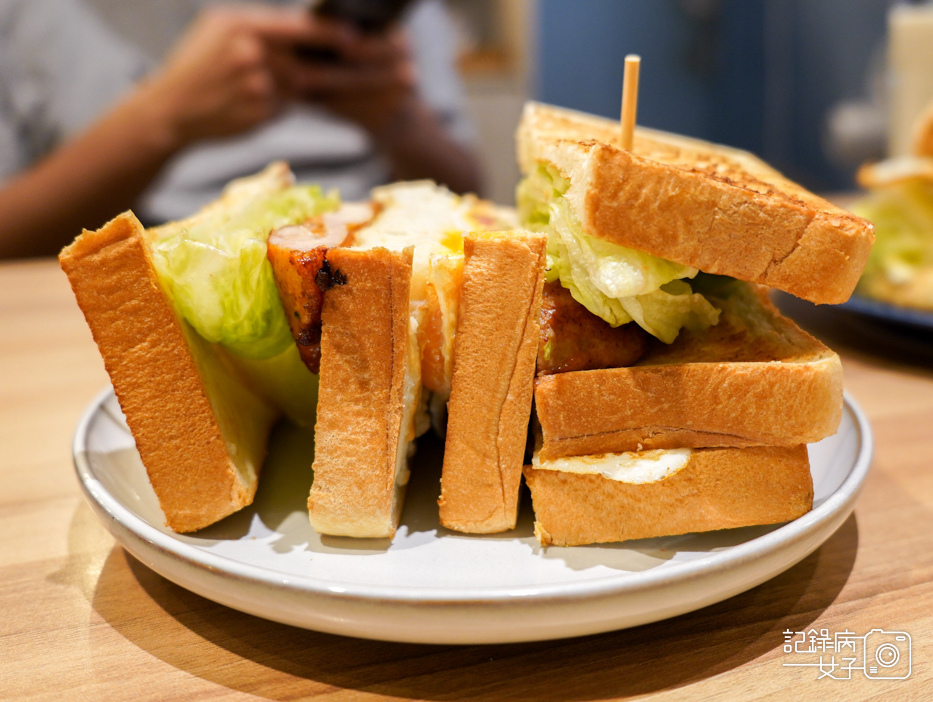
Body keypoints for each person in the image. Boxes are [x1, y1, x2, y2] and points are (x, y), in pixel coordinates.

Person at [0, 0, 481, 258]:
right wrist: (161, 117)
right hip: (141, 262)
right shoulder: (34, 15)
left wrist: (399, 121)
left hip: (379, 247)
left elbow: (471, 190)